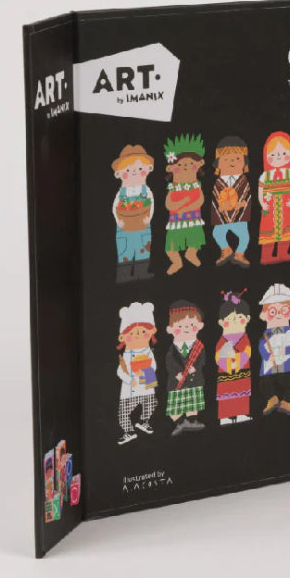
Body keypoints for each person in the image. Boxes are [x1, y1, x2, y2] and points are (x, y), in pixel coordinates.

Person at [163, 133, 206, 275]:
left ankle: (191, 253)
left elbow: (200, 200)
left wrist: (186, 207)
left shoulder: (196, 185)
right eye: (180, 164)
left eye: (190, 163)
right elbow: (169, 204)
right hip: (176, 221)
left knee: (195, 241)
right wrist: (181, 203)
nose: (185, 166)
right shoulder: (174, 188)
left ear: (198, 165)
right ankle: (176, 261)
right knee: (170, 248)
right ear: (171, 168)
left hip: (193, 219)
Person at [116, 302, 158, 444]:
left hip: (147, 384)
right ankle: (129, 431)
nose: (138, 335)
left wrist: (146, 372)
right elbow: (120, 371)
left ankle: (143, 421)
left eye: (143, 332)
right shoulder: (126, 355)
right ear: (124, 337)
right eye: (133, 333)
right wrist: (130, 379)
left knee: (151, 403)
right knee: (123, 412)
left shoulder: (148, 352)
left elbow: (153, 366)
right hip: (131, 389)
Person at [111, 144, 154, 282]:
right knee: (125, 252)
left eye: (140, 168)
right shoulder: (121, 193)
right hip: (125, 228)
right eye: (128, 170)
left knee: (143, 250)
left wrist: (148, 218)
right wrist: (119, 221)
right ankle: (124, 275)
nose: (134, 172)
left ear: (147, 170)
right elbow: (115, 207)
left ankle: (141, 272)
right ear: (120, 174)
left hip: (143, 227)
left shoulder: (146, 190)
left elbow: (151, 204)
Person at [164, 300, 206, 435]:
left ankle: (192, 421)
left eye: (191, 324)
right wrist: (176, 373)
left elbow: (202, 360)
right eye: (180, 326)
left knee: (193, 403)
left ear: (199, 326)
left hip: (193, 380)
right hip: (177, 382)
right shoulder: (172, 350)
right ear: (170, 329)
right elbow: (169, 363)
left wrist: (196, 368)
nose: (186, 328)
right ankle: (180, 423)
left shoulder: (199, 347)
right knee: (175, 405)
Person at [257, 283, 290, 415]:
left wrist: (285, 351)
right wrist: (267, 356)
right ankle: (272, 399)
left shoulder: (289, 331)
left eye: (283, 310)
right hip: (270, 365)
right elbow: (261, 346)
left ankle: (286, 402)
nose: (278, 314)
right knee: (264, 383)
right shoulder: (267, 333)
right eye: (273, 312)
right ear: (265, 315)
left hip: (286, 364)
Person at [257, 131, 290, 265]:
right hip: (269, 207)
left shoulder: (289, 173)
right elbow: (260, 190)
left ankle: (283, 253)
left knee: (286, 230)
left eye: (283, 153)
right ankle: (266, 256)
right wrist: (262, 203)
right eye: (273, 155)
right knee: (269, 231)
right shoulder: (265, 175)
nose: (278, 157)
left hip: (286, 206)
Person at [211, 136, 252, 267]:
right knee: (217, 233)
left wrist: (242, 204)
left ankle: (239, 254)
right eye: (226, 159)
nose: (232, 161)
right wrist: (220, 207)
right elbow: (216, 198)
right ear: (218, 164)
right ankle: (226, 249)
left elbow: (246, 196)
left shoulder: (243, 181)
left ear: (244, 163)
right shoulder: (218, 182)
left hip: (239, 215)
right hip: (223, 215)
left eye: (237, 158)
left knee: (244, 236)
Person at [215, 290, 253, 422]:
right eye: (230, 319)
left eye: (239, 318)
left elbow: (247, 352)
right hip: (225, 373)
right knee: (226, 396)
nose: (235, 321)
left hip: (242, 371)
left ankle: (242, 413)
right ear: (221, 322)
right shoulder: (222, 341)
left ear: (247, 319)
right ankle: (225, 416)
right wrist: (228, 363)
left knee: (242, 394)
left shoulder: (245, 339)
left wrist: (236, 358)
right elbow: (218, 357)